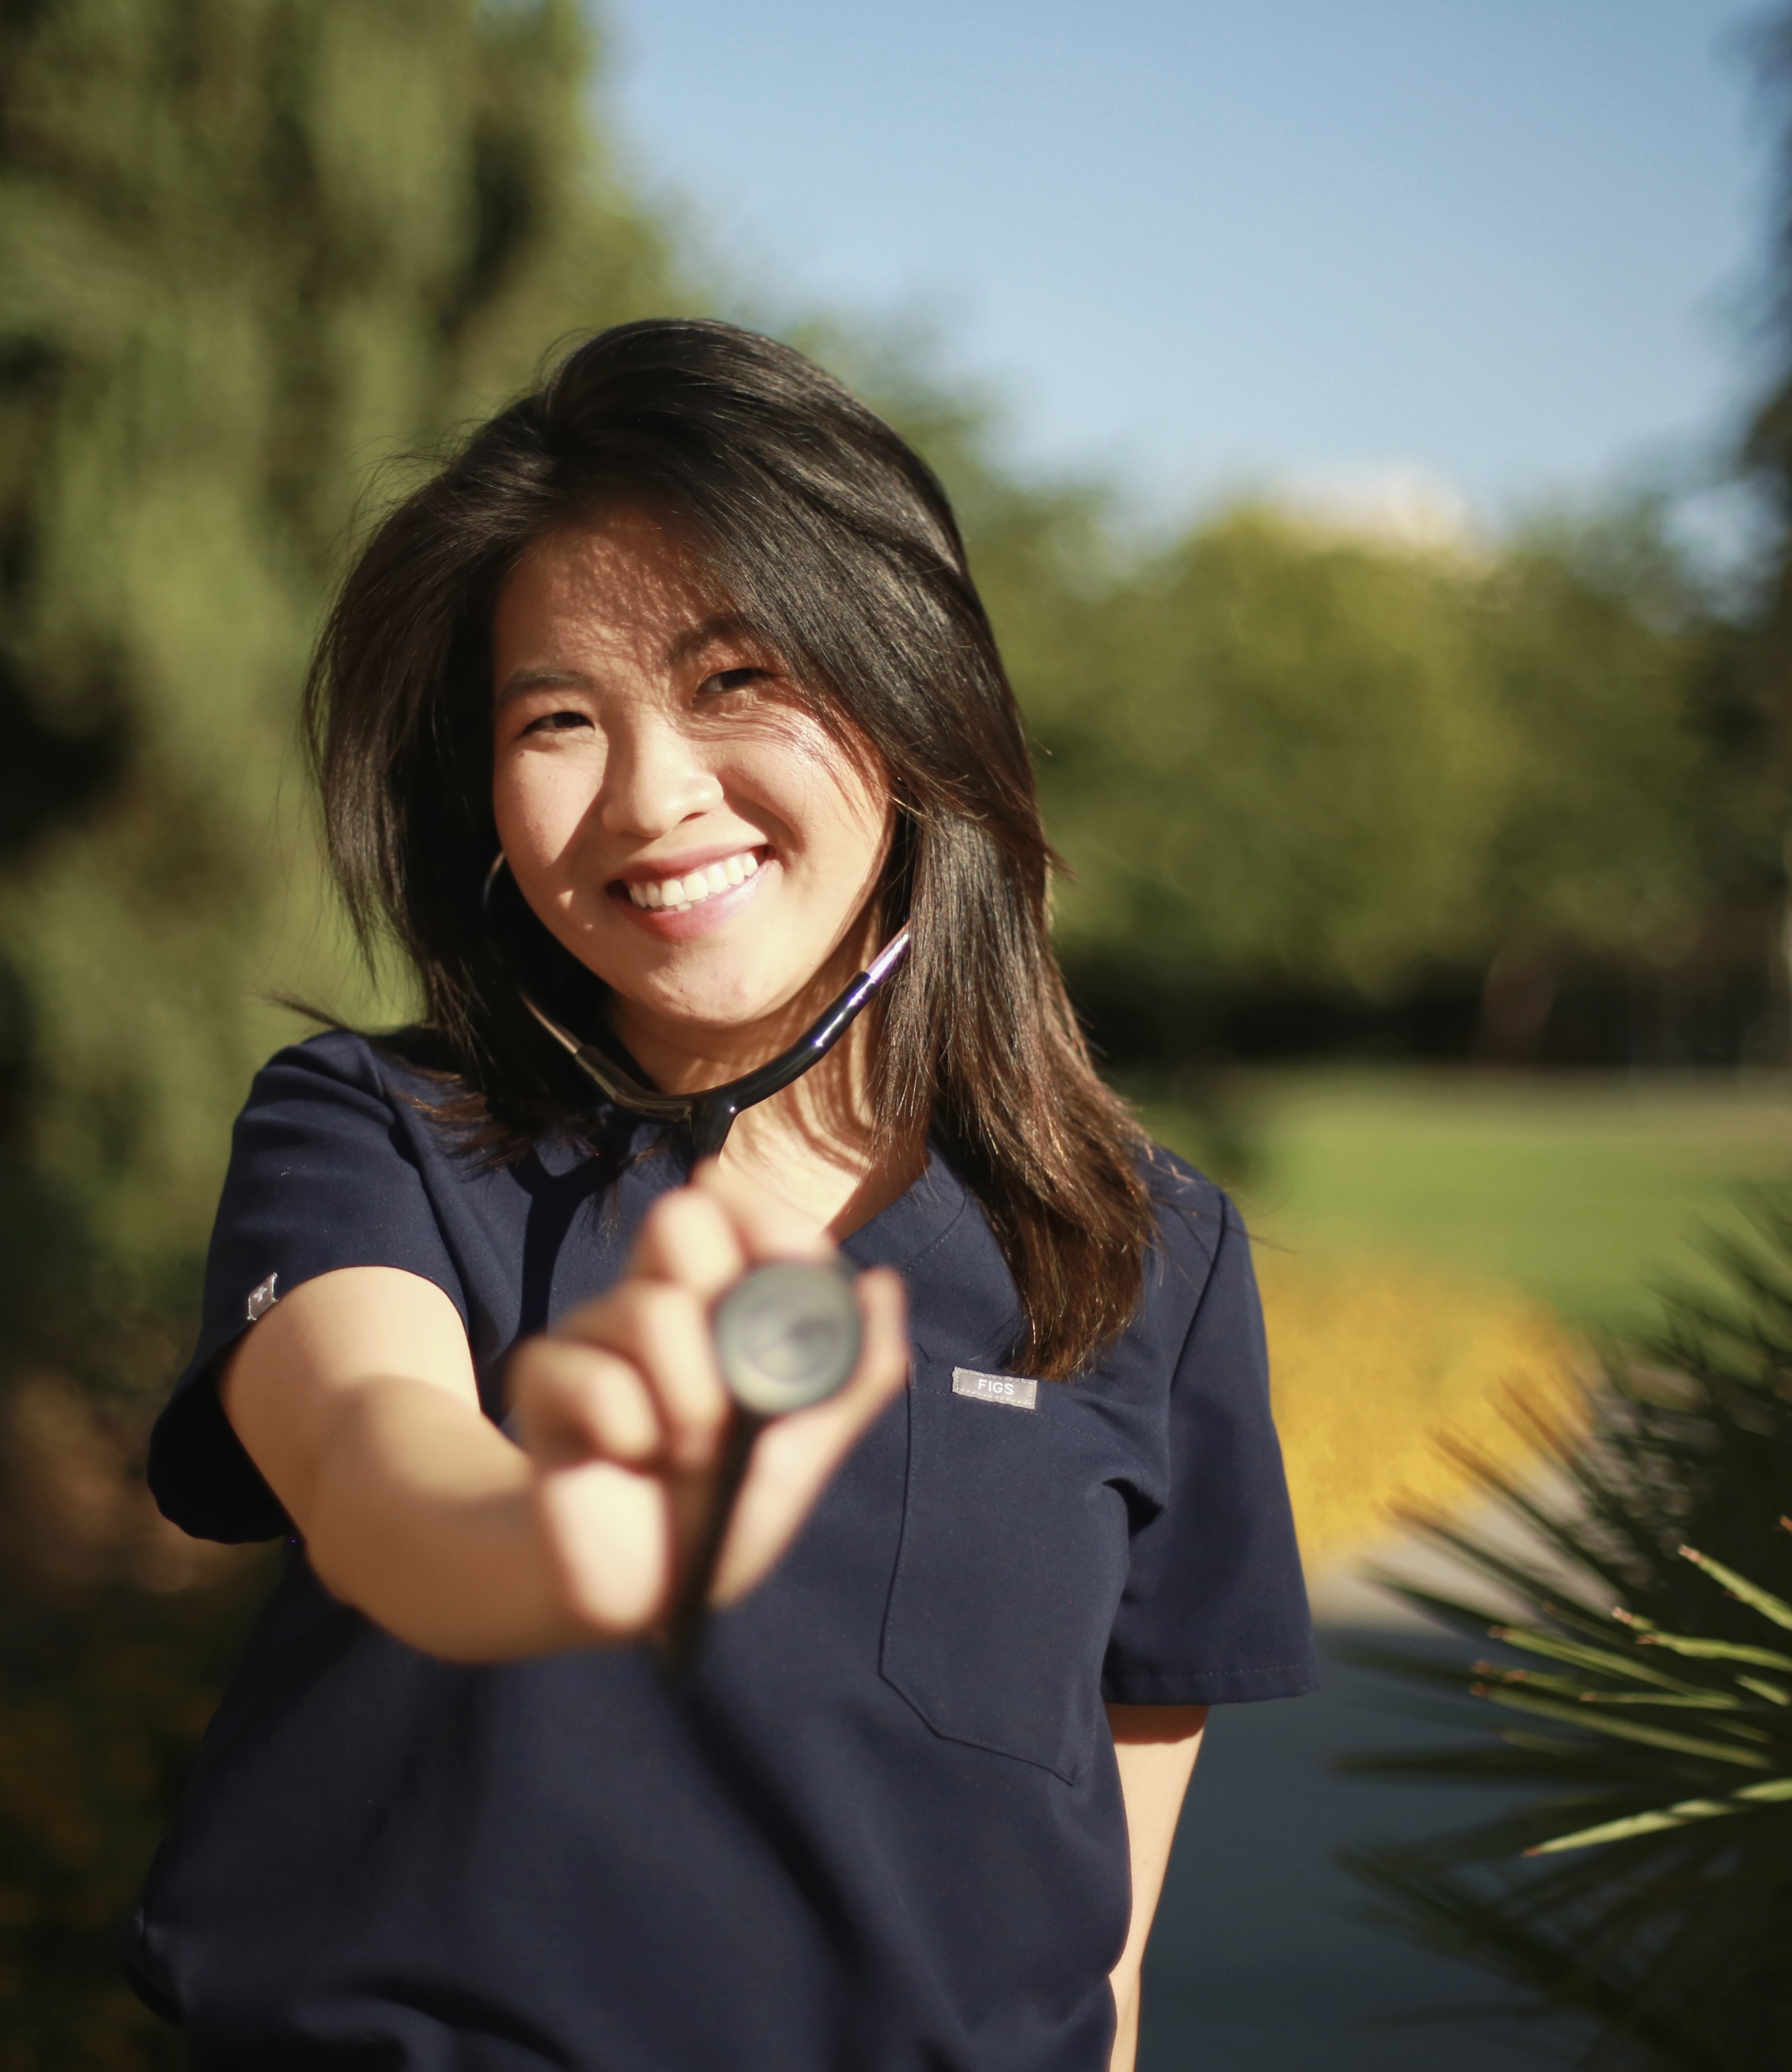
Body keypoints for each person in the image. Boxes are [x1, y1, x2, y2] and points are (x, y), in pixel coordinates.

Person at [128, 319, 1317, 2071]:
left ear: (912, 702)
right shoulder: (373, 1136)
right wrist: (557, 1543)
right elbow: (378, 1475)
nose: (651, 795)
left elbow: (1108, 1941)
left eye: (735, 680)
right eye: (556, 719)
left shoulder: (1145, 1254)